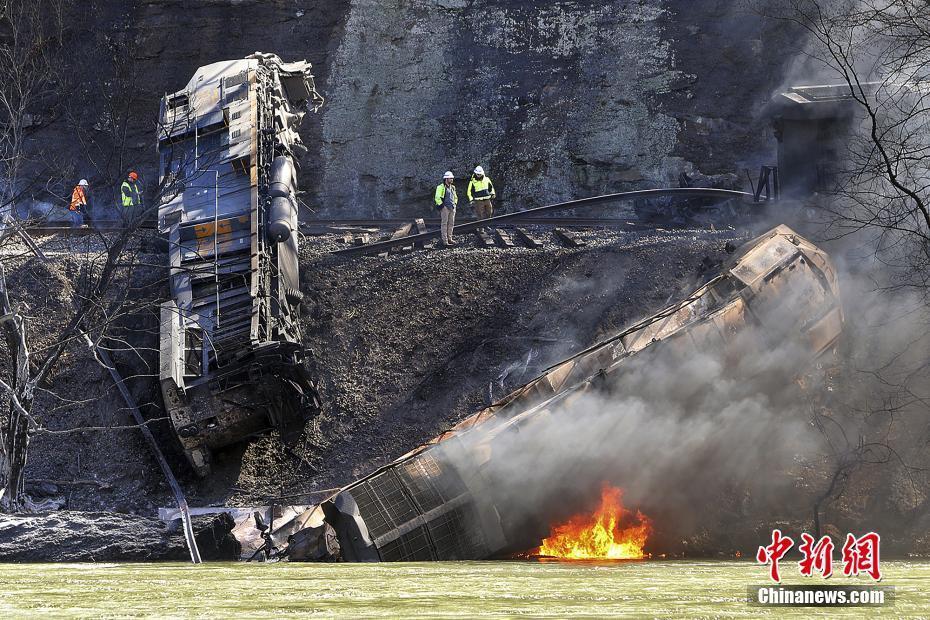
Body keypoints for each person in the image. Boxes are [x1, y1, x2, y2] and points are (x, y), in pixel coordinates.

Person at [434, 171, 458, 246]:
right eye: (450, 178)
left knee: (451, 223)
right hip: (445, 208)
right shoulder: (440, 187)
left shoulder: (453, 187)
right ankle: (445, 241)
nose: (452, 179)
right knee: (444, 224)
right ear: (446, 179)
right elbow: (437, 197)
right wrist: (442, 206)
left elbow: (455, 197)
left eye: (452, 178)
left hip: (452, 207)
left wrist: (455, 203)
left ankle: (450, 239)